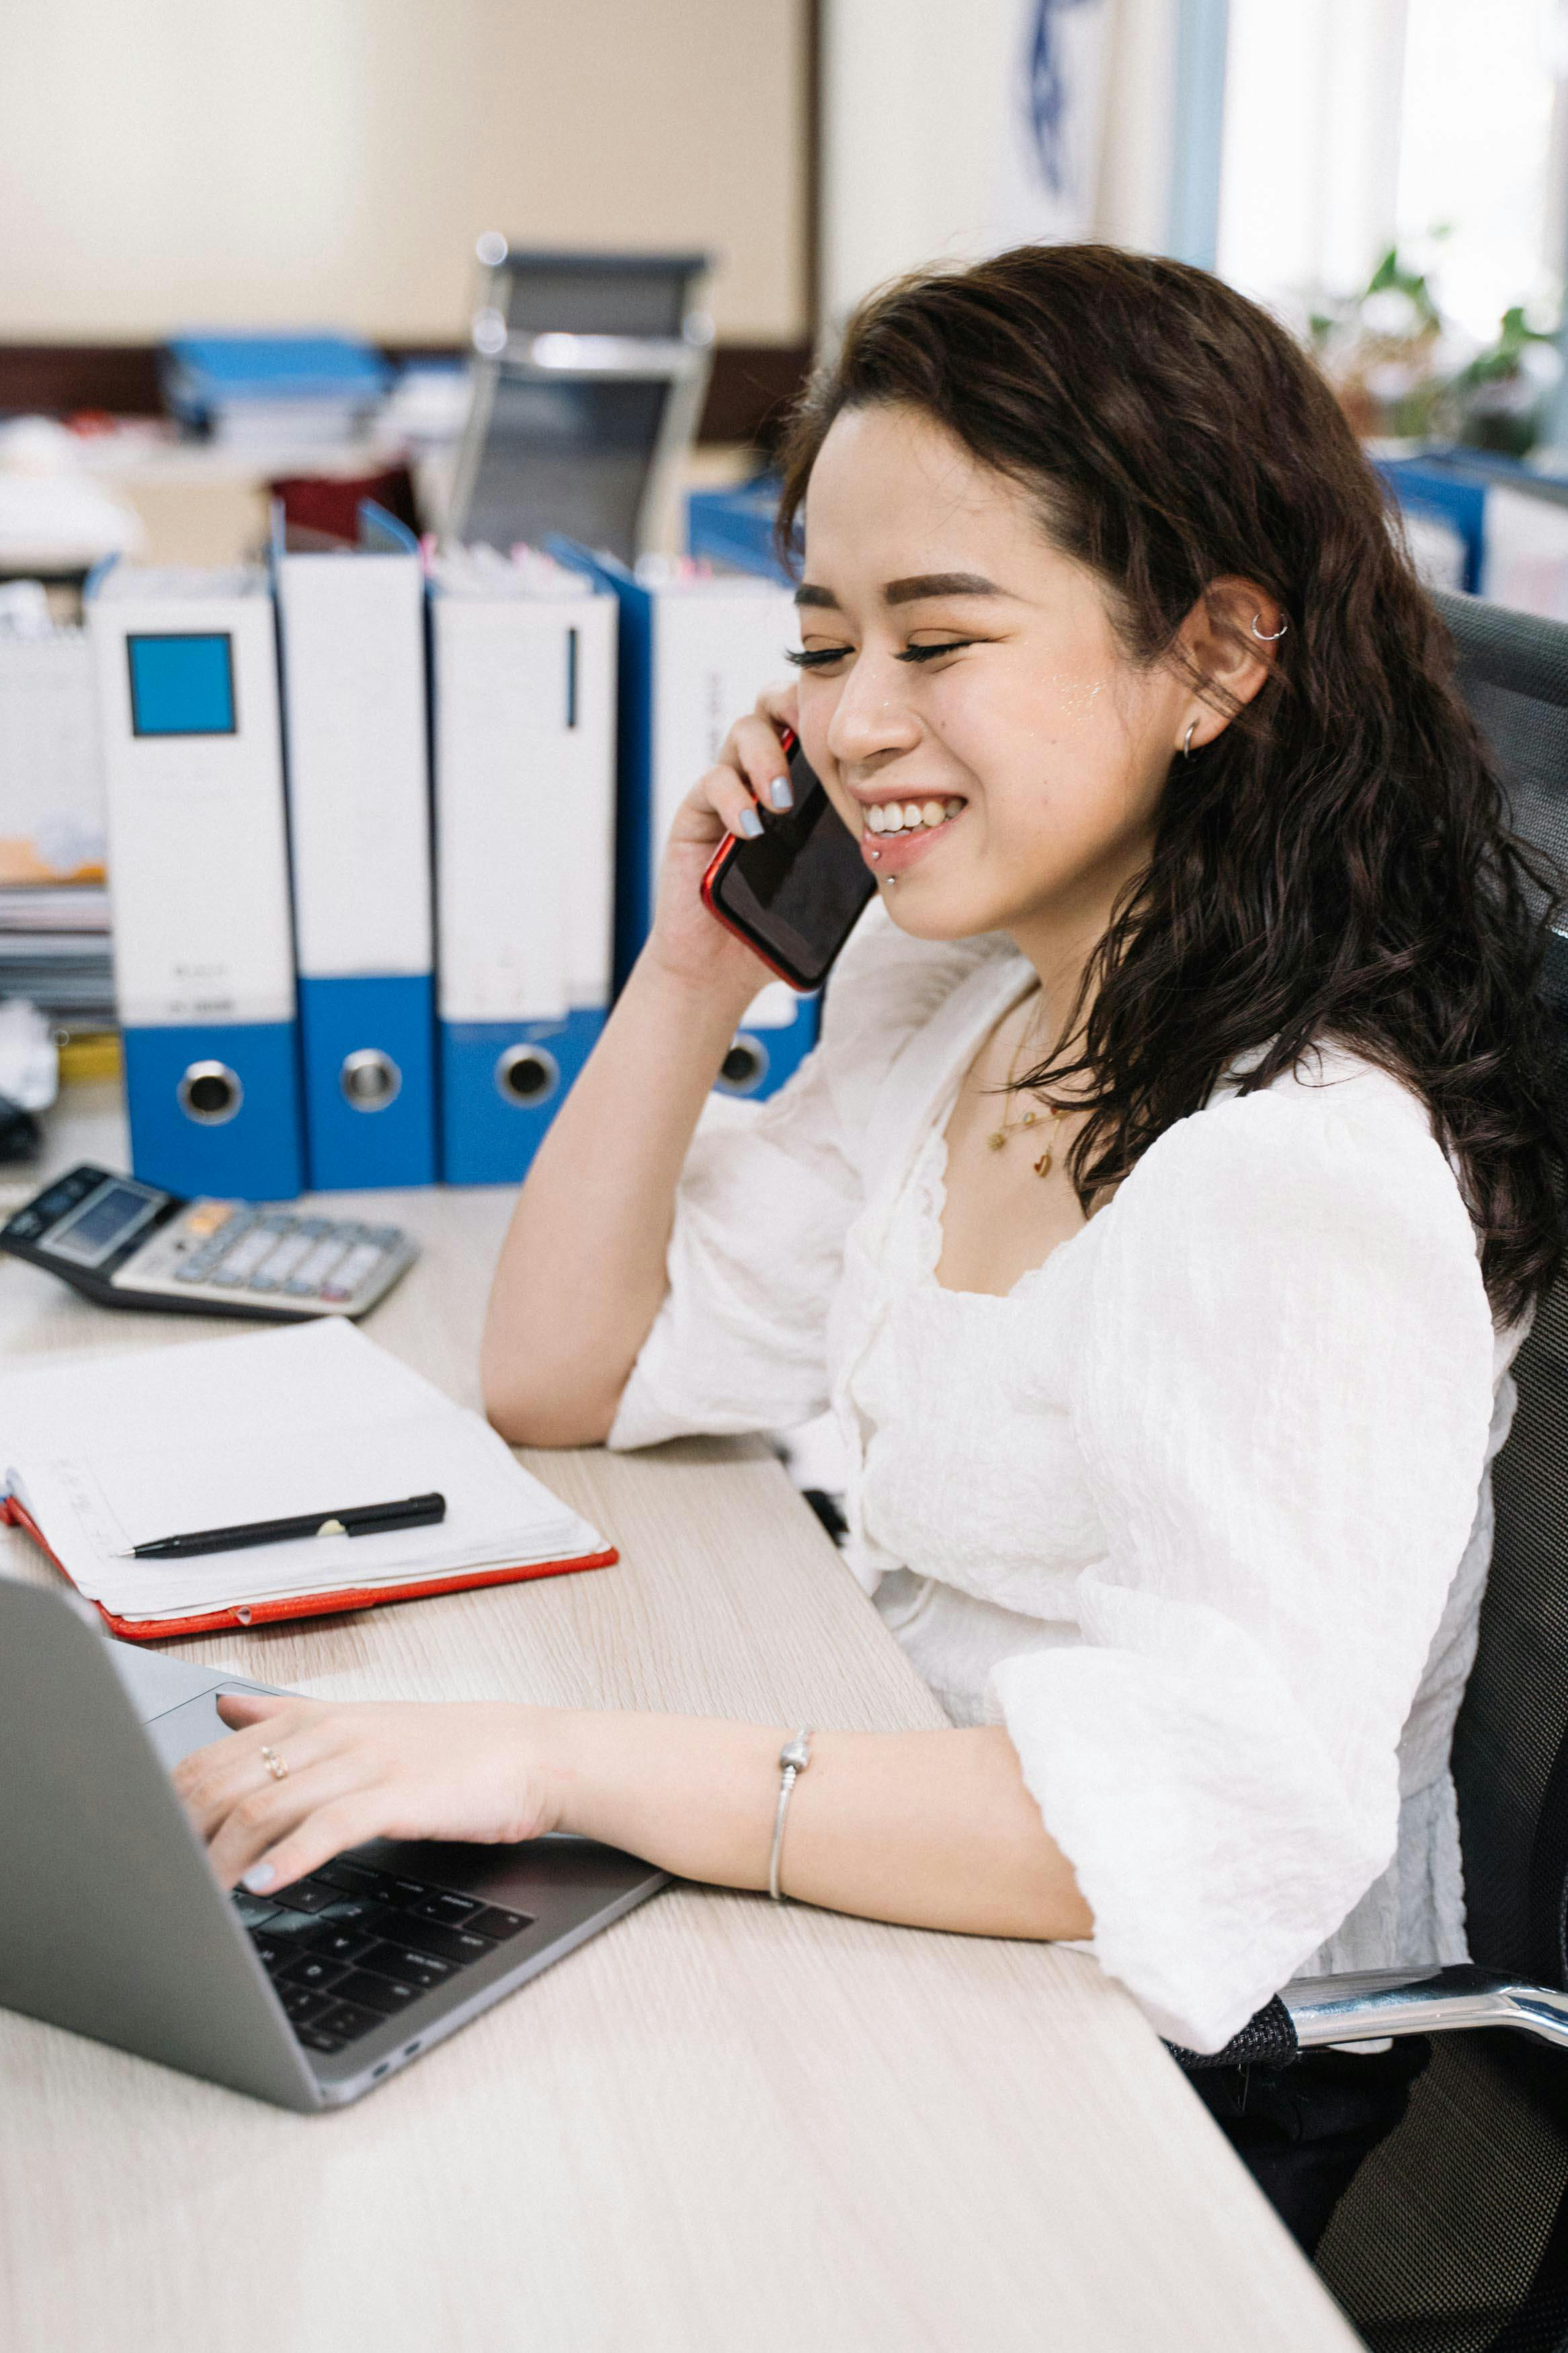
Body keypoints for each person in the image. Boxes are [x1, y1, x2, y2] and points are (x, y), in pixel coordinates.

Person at [176, 245, 1563, 2249]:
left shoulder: (1301, 1173)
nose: (850, 722)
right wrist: (695, 955)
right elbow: (565, 1369)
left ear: (1218, 656)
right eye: (825, 643)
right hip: (887, 1840)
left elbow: (1164, 1817)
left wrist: (571, 1759)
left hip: (1155, 2051)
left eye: (941, 639)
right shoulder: (962, 1012)